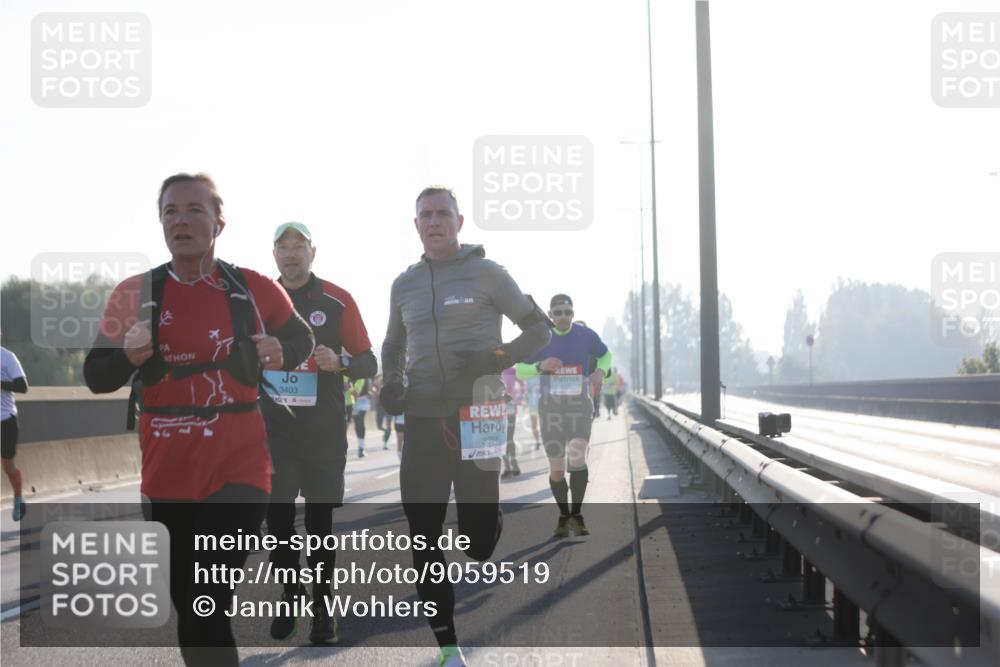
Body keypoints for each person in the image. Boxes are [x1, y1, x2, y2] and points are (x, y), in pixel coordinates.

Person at [84, 173, 315, 667]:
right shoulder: (134, 293)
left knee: (207, 593)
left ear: (218, 223)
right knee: (191, 607)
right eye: (170, 211)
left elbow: (301, 340)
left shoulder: (252, 287)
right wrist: (127, 357)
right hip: (167, 472)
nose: (181, 220)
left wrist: (282, 350)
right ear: (161, 223)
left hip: (240, 466)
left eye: (194, 210)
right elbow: (96, 376)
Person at [380, 186, 551, 667]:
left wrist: (494, 358)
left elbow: (539, 331)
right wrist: (390, 381)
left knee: (476, 543)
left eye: (442, 214)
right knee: (423, 532)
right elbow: (392, 345)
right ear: (416, 226)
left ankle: (486, 519)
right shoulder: (404, 284)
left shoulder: (488, 273)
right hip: (423, 418)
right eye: (425, 216)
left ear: (459, 220)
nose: (434, 222)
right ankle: (447, 645)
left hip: (479, 415)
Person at [260, 221, 376, 645]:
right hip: (273, 430)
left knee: (321, 523)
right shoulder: (257, 300)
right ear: (274, 254)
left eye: (299, 246)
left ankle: (324, 612)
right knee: (278, 520)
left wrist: (340, 362)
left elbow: (369, 363)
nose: (291, 254)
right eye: (283, 247)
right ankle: (292, 594)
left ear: (313, 252)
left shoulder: (338, 300)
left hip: (323, 430)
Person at [516, 295, 611, 538]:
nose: (563, 317)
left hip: (579, 407)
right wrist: (540, 366)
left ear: (573, 312)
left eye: (568, 312)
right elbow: (519, 371)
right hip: (551, 410)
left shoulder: (584, 334)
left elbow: (605, 354)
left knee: (577, 459)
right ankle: (563, 514)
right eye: (558, 312)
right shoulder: (541, 337)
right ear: (550, 314)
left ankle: (577, 515)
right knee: (557, 470)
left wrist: (600, 372)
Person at [1, 344, 28, 521]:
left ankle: (18, 498)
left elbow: (22, 386)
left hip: (5, 419)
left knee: (8, 466)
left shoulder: (7, 357)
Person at [500, 366, 521, 478]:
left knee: (509, 439)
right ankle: (507, 467)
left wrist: (518, 397)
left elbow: (521, 383)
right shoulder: (491, 367)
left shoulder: (512, 370)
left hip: (510, 408)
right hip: (496, 409)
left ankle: (514, 465)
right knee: (501, 439)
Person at [350, 377, 373, 457]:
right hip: (352, 401)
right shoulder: (350, 374)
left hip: (363, 401)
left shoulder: (364, 376)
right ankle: (360, 445)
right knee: (357, 424)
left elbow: (356, 392)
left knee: (360, 421)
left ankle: (361, 447)